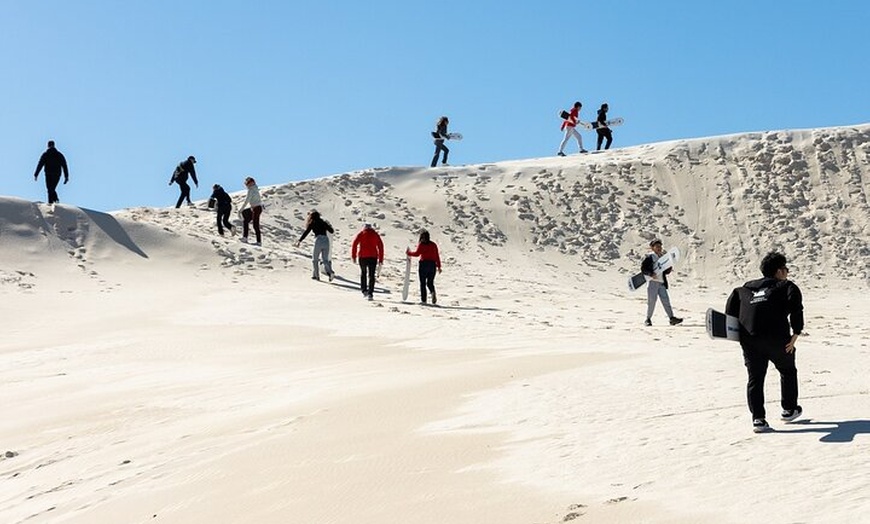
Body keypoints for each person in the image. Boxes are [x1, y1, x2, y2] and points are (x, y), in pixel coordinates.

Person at [726, 252, 804, 433]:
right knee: (787, 370)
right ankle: (789, 409)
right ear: (778, 271)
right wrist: (796, 334)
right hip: (779, 339)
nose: (787, 272)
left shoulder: (744, 289)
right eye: (785, 268)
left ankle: (758, 420)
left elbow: (730, 313)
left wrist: (738, 337)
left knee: (755, 378)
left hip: (750, 340)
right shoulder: (786, 286)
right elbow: (796, 308)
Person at [641, 239, 683, 326]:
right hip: (652, 282)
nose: (659, 248)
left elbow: (665, 271)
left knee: (666, 301)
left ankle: (671, 318)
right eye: (657, 246)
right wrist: (651, 273)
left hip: (661, 283)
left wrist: (669, 268)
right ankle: (648, 319)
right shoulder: (650, 257)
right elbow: (643, 268)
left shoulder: (663, 257)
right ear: (652, 248)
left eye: (660, 246)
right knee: (652, 302)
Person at [296, 210, 335, 281]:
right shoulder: (323, 222)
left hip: (318, 240)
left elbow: (306, 232)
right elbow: (331, 231)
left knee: (315, 259)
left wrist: (300, 240)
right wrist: (327, 225)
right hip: (326, 240)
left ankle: (316, 276)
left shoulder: (312, 223)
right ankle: (330, 272)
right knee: (325, 259)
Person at [406, 229, 442, 305]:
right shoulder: (433, 245)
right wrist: (439, 266)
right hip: (432, 265)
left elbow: (417, 254)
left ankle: (424, 300)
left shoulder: (422, 244)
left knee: (422, 283)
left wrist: (409, 253)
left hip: (424, 265)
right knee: (430, 283)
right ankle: (432, 292)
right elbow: (437, 256)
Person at [351, 223, 384, 300]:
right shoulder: (375, 234)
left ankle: (364, 290)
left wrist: (354, 256)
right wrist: (381, 259)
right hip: (373, 257)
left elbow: (354, 244)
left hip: (363, 257)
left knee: (363, 273)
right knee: (371, 275)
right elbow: (381, 246)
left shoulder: (361, 233)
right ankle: (370, 293)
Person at [33, 140, 69, 204]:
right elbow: (64, 165)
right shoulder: (59, 154)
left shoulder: (46, 154)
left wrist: (36, 174)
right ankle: (54, 201)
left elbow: (40, 164)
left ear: (48, 146)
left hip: (48, 174)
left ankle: (51, 202)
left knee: (50, 189)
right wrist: (66, 176)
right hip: (57, 174)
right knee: (51, 188)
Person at [239, 176, 263, 246]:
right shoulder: (255, 188)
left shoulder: (251, 190)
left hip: (256, 209)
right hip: (255, 208)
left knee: (255, 225)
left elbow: (247, 200)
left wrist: (241, 209)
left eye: (247, 183)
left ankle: (258, 242)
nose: (247, 185)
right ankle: (245, 237)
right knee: (246, 220)